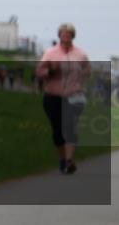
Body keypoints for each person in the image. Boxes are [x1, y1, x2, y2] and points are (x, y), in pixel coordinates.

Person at [35, 23, 90, 174]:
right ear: (59, 36)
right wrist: (50, 71)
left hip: (74, 96)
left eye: (68, 34)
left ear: (73, 36)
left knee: (70, 128)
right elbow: (39, 71)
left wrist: (81, 84)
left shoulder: (81, 55)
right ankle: (62, 158)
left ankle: (69, 160)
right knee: (58, 130)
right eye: (63, 34)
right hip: (53, 96)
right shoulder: (50, 53)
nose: (65, 37)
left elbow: (87, 72)